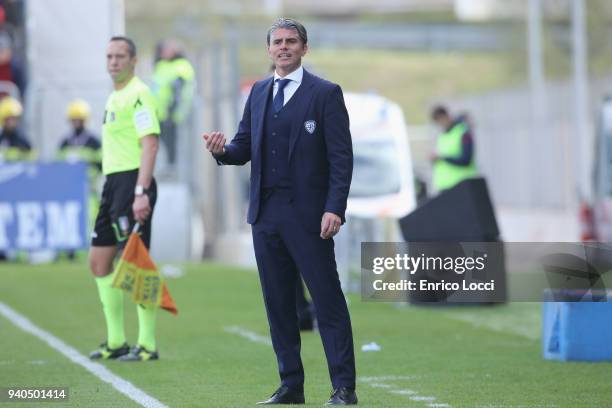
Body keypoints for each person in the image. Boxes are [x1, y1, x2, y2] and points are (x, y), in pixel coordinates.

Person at [203, 18, 357, 405]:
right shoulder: (257, 92)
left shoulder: (325, 93)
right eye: (278, 42)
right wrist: (222, 151)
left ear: (305, 48)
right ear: (268, 49)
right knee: (279, 304)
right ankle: (291, 385)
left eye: (291, 42)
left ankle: (344, 389)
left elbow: (341, 159)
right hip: (265, 216)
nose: (284, 47)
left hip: (309, 217)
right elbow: (243, 148)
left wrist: (334, 208)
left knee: (327, 301)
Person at [88, 36, 161, 362]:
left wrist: (140, 192)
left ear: (133, 61)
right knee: (99, 261)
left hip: (132, 184)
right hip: (112, 185)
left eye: (120, 56)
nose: (113, 62)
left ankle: (147, 345)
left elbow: (150, 145)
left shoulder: (139, 95)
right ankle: (116, 341)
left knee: (135, 263)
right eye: (109, 56)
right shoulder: (114, 96)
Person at [57, 99, 102, 260]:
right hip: (69, 191)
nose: (76, 123)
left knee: (90, 221)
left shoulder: (93, 142)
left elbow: (100, 164)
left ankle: (88, 253)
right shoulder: (65, 142)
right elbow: (58, 166)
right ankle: (70, 252)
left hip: (88, 190)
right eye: (74, 120)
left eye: (79, 120)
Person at [152, 39, 195, 166]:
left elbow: (178, 89)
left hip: (173, 114)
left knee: (172, 144)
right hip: (160, 113)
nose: (161, 53)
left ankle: (172, 167)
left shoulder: (181, 65)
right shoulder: (162, 65)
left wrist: (172, 110)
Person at [430, 105, 478, 192]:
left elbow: (466, 160)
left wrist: (443, 158)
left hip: (461, 186)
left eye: (440, 120)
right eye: (437, 122)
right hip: (444, 187)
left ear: (446, 116)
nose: (440, 124)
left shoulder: (463, 133)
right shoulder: (442, 136)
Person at [0, 96, 32, 161]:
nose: (11, 122)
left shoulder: (21, 136)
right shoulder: (2, 135)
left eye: (13, 119)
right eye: (8, 119)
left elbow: (31, 155)